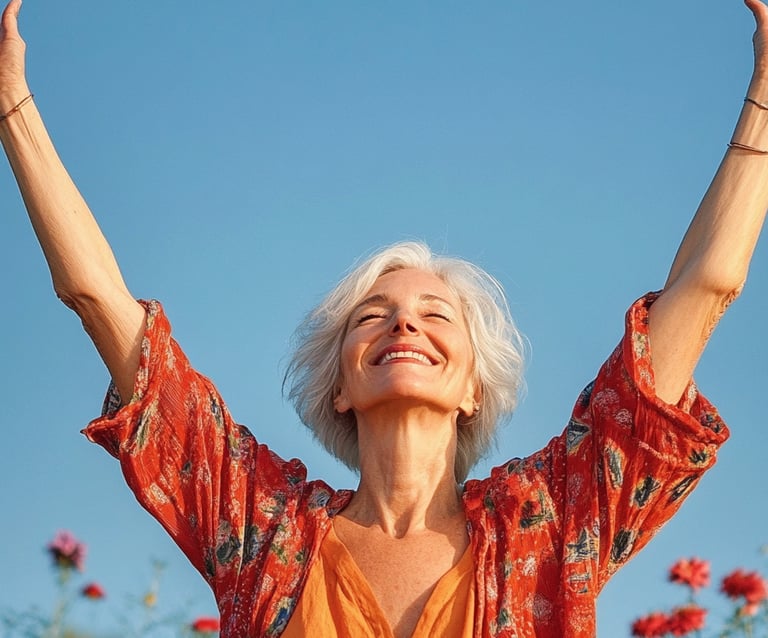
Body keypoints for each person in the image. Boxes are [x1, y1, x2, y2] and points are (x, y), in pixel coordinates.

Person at [1, 0, 766, 636]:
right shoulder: (262, 529)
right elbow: (99, 302)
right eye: (374, 315)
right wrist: (12, 110)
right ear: (339, 384)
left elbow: (706, 289)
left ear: (474, 387)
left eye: (436, 314)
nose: (404, 325)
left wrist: (764, 97)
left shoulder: (549, 523)